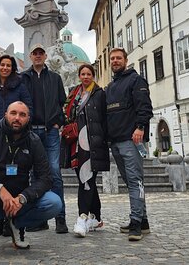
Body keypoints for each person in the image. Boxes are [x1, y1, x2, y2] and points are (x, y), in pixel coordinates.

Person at [0, 101, 62, 258]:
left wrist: (23, 198)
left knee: (54, 203)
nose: (17, 118)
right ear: (5, 114)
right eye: (13, 113)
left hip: (19, 204)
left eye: (22, 115)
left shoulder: (34, 141)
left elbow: (45, 178)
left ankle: (15, 224)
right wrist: (0, 189)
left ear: (28, 118)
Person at [0, 54, 34, 237]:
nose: (5, 68)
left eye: (8, 65)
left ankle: (14, 220)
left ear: (13, 68)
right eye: (2, 65)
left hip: (14, 134)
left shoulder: (19, 85)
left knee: (15, 175)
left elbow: (28, 107)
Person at [105, 48, 154, 241]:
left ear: (126, 60)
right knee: (131, 182)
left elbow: (145, 106)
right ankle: (143, 221)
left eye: (118, 58)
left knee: (135, 181)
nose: (115, 61)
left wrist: (140, 127)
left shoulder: (136, 80)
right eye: (112, 59)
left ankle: (135, 223)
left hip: (131, 140)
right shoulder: (110, 86)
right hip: (115, 141)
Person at [21, 43, 68, 233]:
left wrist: (58, 122)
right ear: (31, 56)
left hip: (50, 131)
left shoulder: (55, 78)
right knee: (34, 174)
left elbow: (61, 101)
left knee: (54, 172)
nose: (38, 56)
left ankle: (60, 217)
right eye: (35, 53)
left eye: (41, 53)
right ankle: (39, 218)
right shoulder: (23, 78)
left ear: (45, 56)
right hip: (31, 132)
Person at [61, 64, 109, 237]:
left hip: (93, 143)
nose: (86, 76)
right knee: (86, 180)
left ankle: (82, 217)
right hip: (75, 142)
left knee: (86, 179)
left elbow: (104, 119)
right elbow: (66, 114)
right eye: (83, 74)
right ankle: (96, 218)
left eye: (89, 74)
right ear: (79, 75)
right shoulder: (73, 93)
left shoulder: (99, 94)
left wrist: (104, 141)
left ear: (93, 76)